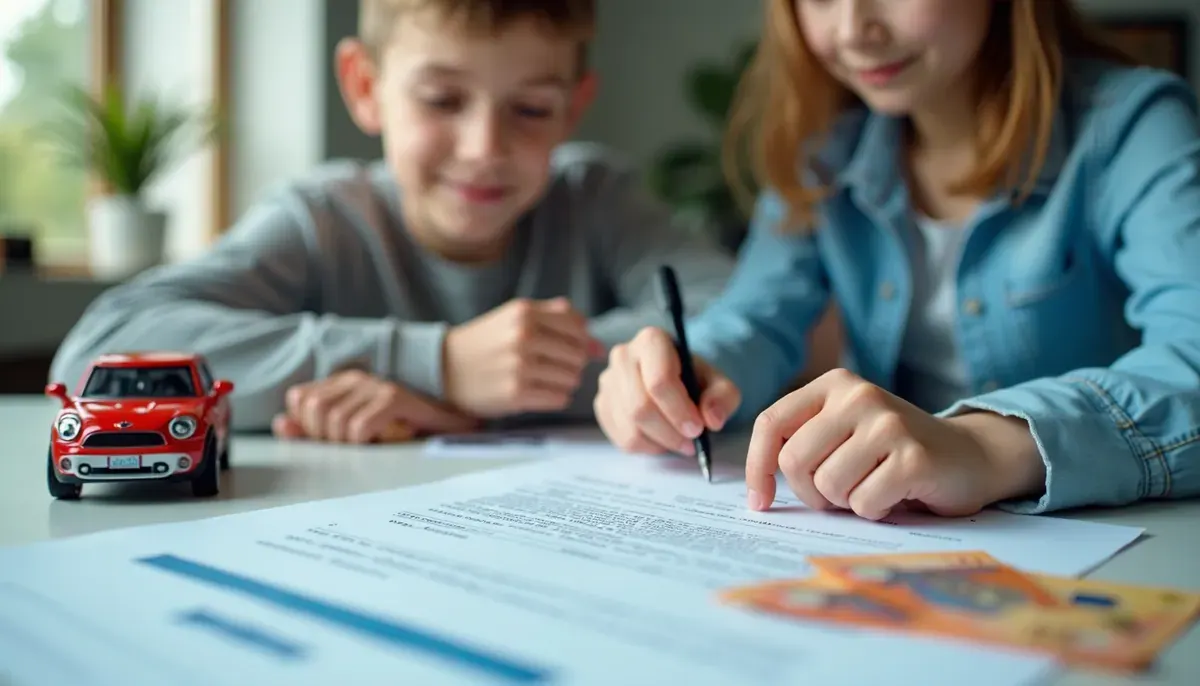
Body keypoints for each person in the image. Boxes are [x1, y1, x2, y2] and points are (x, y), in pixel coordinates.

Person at [593, 0, 1200, 520]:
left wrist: (986, 448)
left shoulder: (1137, 128)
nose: (855, 29)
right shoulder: (826, 152)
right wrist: (688, 372)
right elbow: (755, 318)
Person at [49, 0, 736, 443]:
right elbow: (100, 352)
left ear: (573, 106)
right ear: (365, 88)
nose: (484, 149)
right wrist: (438, 362)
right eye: (442, 100)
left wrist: (465, 403)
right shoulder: (321, 218)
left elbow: (738, 317)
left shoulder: (597, 197)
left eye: (529, 109)